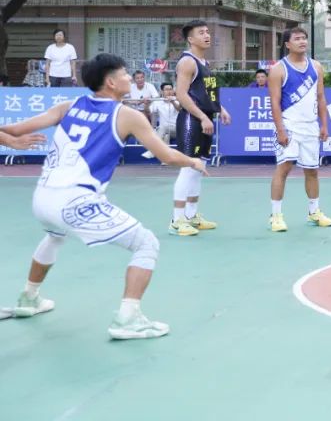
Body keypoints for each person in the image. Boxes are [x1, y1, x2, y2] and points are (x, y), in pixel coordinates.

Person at [1, 53, 206, 339]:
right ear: (111, 82)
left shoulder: (69, 106)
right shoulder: (127, 115)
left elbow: (11, 129)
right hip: (75, 201)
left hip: (43, 198)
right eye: (124, 74)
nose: (129, 78)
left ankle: (29, 297)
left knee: (54, 237)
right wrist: (193, 161)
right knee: (146, 244)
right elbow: (167, 156)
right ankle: (128, 319)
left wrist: (10, 141)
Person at [267, 27, 331, 232]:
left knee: (312, 170)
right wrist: (280, 130)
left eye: (304, 38)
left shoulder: (316, 66)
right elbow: (275, 102)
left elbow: (321, 97)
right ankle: (276, 216)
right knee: (284, 168)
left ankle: (314, 212)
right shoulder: (278, 69)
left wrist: (324, 124)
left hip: (310, 127)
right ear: (287, 44)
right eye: (297, 39)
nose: (302, 41)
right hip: (289, 125)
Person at [169, 20, 231, 237]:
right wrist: (203, 117)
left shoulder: (204, 62)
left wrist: (220, 109)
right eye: (201, 33)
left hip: (204, 118)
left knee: (198, 168)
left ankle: (191, 215)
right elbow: (181, 94)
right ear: (190, 39)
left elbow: (206, 94)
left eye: (207, 32)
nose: (207, 35)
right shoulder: (188, 62)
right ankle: (177, 220)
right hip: (191, 120)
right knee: (188, 168)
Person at [142, 82, 181, 159]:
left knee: (163, 127)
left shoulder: (177, 100)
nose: (169, 91)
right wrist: (146, 104)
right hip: (163, 130)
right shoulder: (158, 102)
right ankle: (165, 160)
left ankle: (152, 151)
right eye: (166, 89)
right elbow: (148, 112)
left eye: (170, 89)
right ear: (162, 91)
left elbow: (180, 109)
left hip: (177, 129)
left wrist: (173, 102)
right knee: (165, 136)